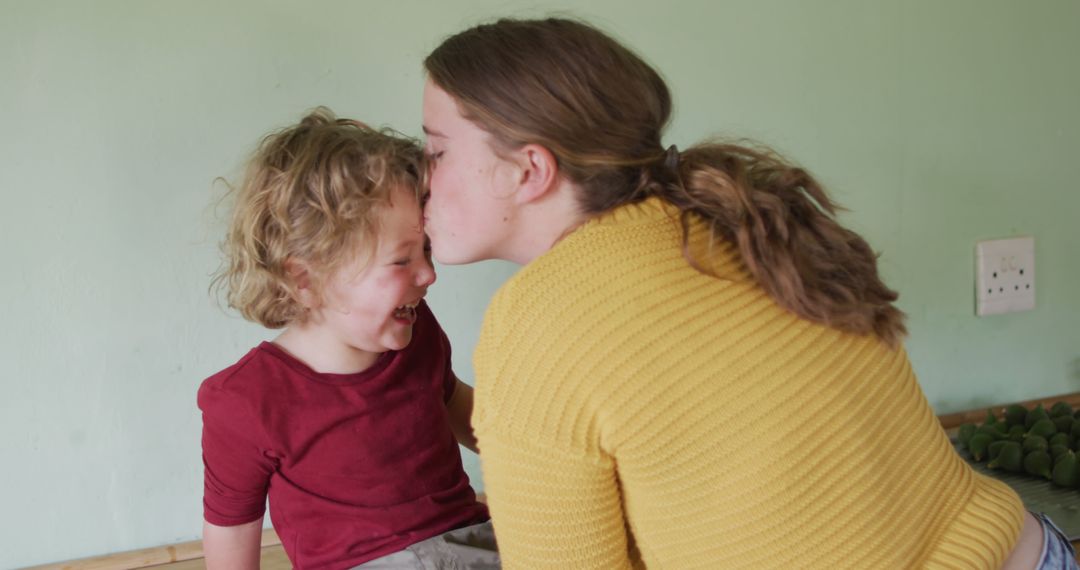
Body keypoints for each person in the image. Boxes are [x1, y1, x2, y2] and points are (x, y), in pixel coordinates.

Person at [420, 17, 1070, 569]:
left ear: (529, 169)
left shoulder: (538, 317)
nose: (423, 177)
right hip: (1025, 548)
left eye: (437, 149)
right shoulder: (739, 218)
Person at [199, 108, 497, 570]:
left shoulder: (417, 333)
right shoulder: (246, 401)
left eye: (427, 249)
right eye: (401, 261)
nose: (429, 274)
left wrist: (540, 450)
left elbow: (455, 401)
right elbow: (232, 525)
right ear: (305, 279)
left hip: (469, 543)